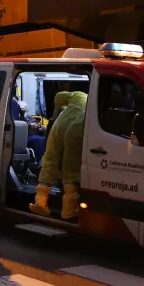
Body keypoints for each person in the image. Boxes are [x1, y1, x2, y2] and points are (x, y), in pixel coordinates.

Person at [29, 91, 87, 220]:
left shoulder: (74, 98)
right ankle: (68, 210)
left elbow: (58, 96)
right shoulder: (87, 101)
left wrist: (57, 110)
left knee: (49, 160)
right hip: (77, 128)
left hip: (58, 126)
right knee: (70, 168)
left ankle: (40, 203)